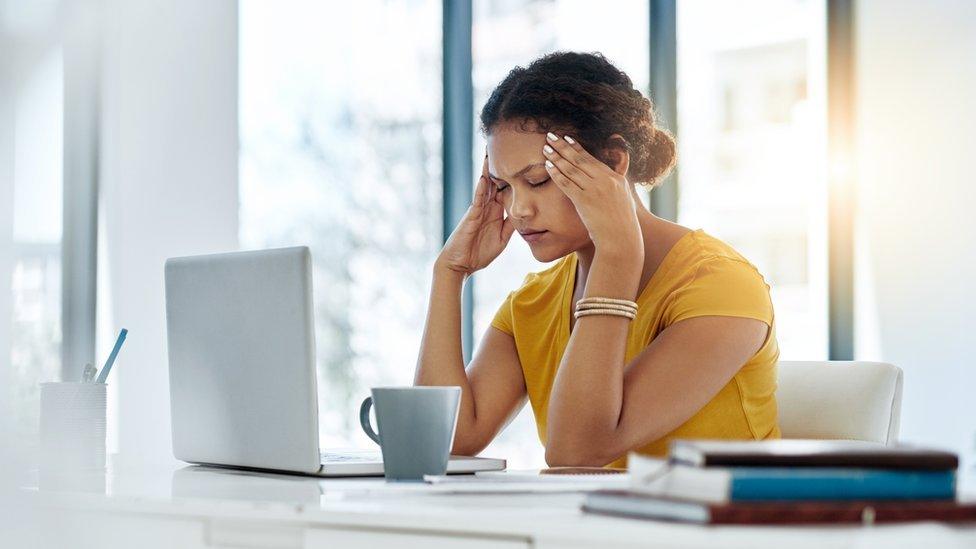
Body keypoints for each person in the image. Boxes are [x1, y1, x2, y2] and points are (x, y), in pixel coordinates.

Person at [415, 52, 779, 468]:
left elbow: (577, 452)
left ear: (613, 162)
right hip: (589, 530)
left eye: (538, 180)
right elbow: (443, 440)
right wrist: (448, 273)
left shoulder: (721, 285)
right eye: (503, 187)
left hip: (717, 531)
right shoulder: (534, 302)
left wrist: (618, 253)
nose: (518, 210)